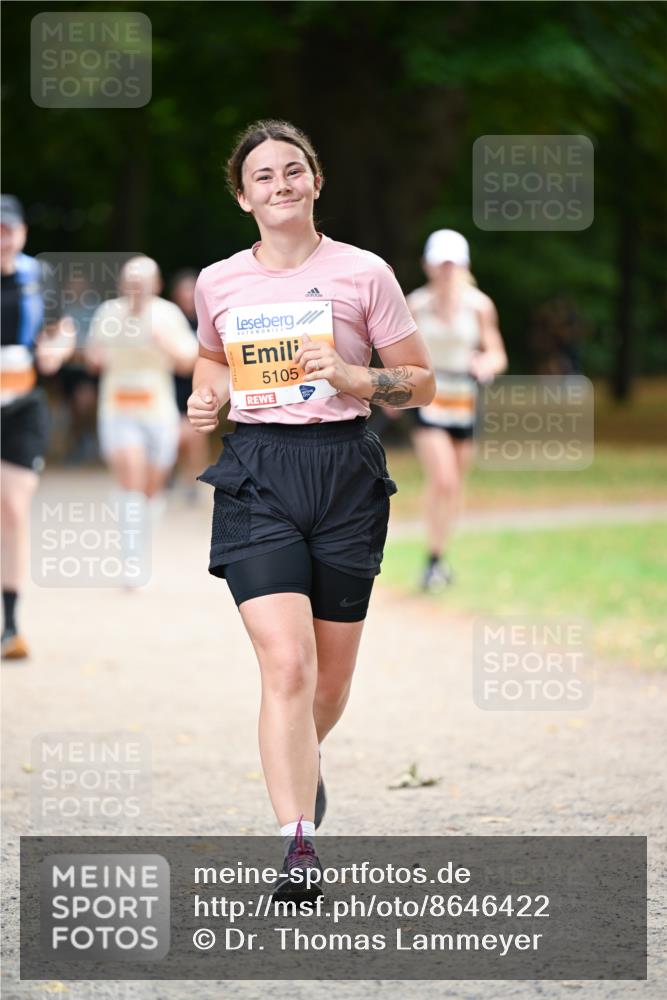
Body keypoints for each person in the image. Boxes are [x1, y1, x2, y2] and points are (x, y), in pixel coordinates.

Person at [188, 120, 435, 901]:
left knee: (327, 684)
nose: (281, 184)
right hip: (258, 473)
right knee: (286, 666)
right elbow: (208, 356)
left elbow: (421, 382)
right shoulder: (219, 282)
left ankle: (300, 758)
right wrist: (207, 392)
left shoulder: (364, 275)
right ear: (242, 197)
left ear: (316, 182)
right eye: (263, 176)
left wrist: (355, 376)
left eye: (294, 171)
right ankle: (297, 843)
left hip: (344, 476)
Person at [406, 229, 507, 592]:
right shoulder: (415, 304)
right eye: (441, 263)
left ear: (463, 266)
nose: (447, 270)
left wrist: (486, 365)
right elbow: (400, 353)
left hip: (465, 399)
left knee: (453, 486)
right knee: (443, 478)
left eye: (453, 263)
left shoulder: (480, 306)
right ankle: (432, 562)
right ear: (428, 266)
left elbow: (497, 352)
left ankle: (439, 556)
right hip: (428, 397)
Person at [85, 256, 198, 581]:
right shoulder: (108, 312)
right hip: (117, 408)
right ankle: (131, 557)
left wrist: (164, 344)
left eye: (142, 282)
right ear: (122, 284)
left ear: (156, 284)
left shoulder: (167, 314)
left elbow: (187, 362)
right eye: (130, 282)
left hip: (157, 409)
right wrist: (96, 356)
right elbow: (92, 357)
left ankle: (139, 543)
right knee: (130, 475)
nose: (135, 288)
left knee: (152, 488)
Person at [1, 194, 74, 659]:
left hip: (22, 405)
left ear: (22, 233)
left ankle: (10, 624)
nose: (1, 239)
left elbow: (62, 328)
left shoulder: (38, 278)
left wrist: (57, 350)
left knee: (11, 508)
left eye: (8, 230)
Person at [169, 269, 210, 500]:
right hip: (171, 387)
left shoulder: (205, 320)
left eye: (190, 291)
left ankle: (193, 481)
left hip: (197, 385)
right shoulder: (170, 319)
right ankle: (170, 474)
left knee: (195, 434)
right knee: (174, 434)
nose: (187, 296)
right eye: (183, 291)